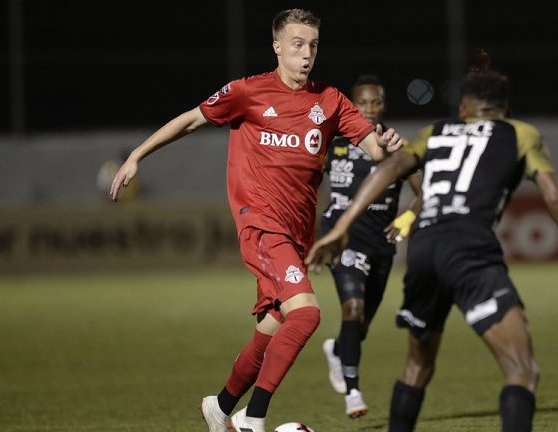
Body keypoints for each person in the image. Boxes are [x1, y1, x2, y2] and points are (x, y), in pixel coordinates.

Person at [109, 9, 403, 432]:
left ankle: (221, 405)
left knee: (273, 327)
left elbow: (374, 151)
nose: (306, 54)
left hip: (298, 235)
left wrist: (387, 144)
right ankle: (253, 420)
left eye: (313, 46)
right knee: (306, 316)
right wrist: (137, 155)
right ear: (278, 47)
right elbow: (192, 119)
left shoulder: (331, 101)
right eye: (297, 44)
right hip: (261, 225)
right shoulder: (247, 92)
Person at [305, 69, 558, 432]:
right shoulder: (520, 133)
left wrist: (340, 227)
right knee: (521, 369)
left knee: (417, 368)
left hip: (423, 250)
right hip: (469, 250)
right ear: (505, 108)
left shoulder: (435, 132)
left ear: (464, 107)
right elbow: (555, 197)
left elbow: (387, 170)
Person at [319, 74, 422, 419]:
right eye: (362, 103)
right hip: (344, 236)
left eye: (375, 102)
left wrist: (407, 218)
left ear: (384, 105)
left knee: (359, 328)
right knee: (353, 310)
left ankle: (337, 349)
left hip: (381, 244)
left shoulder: (396, 144)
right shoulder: (333, 142)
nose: (370, 109)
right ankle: (353, 393)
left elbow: (426, 193)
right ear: (352, 105)